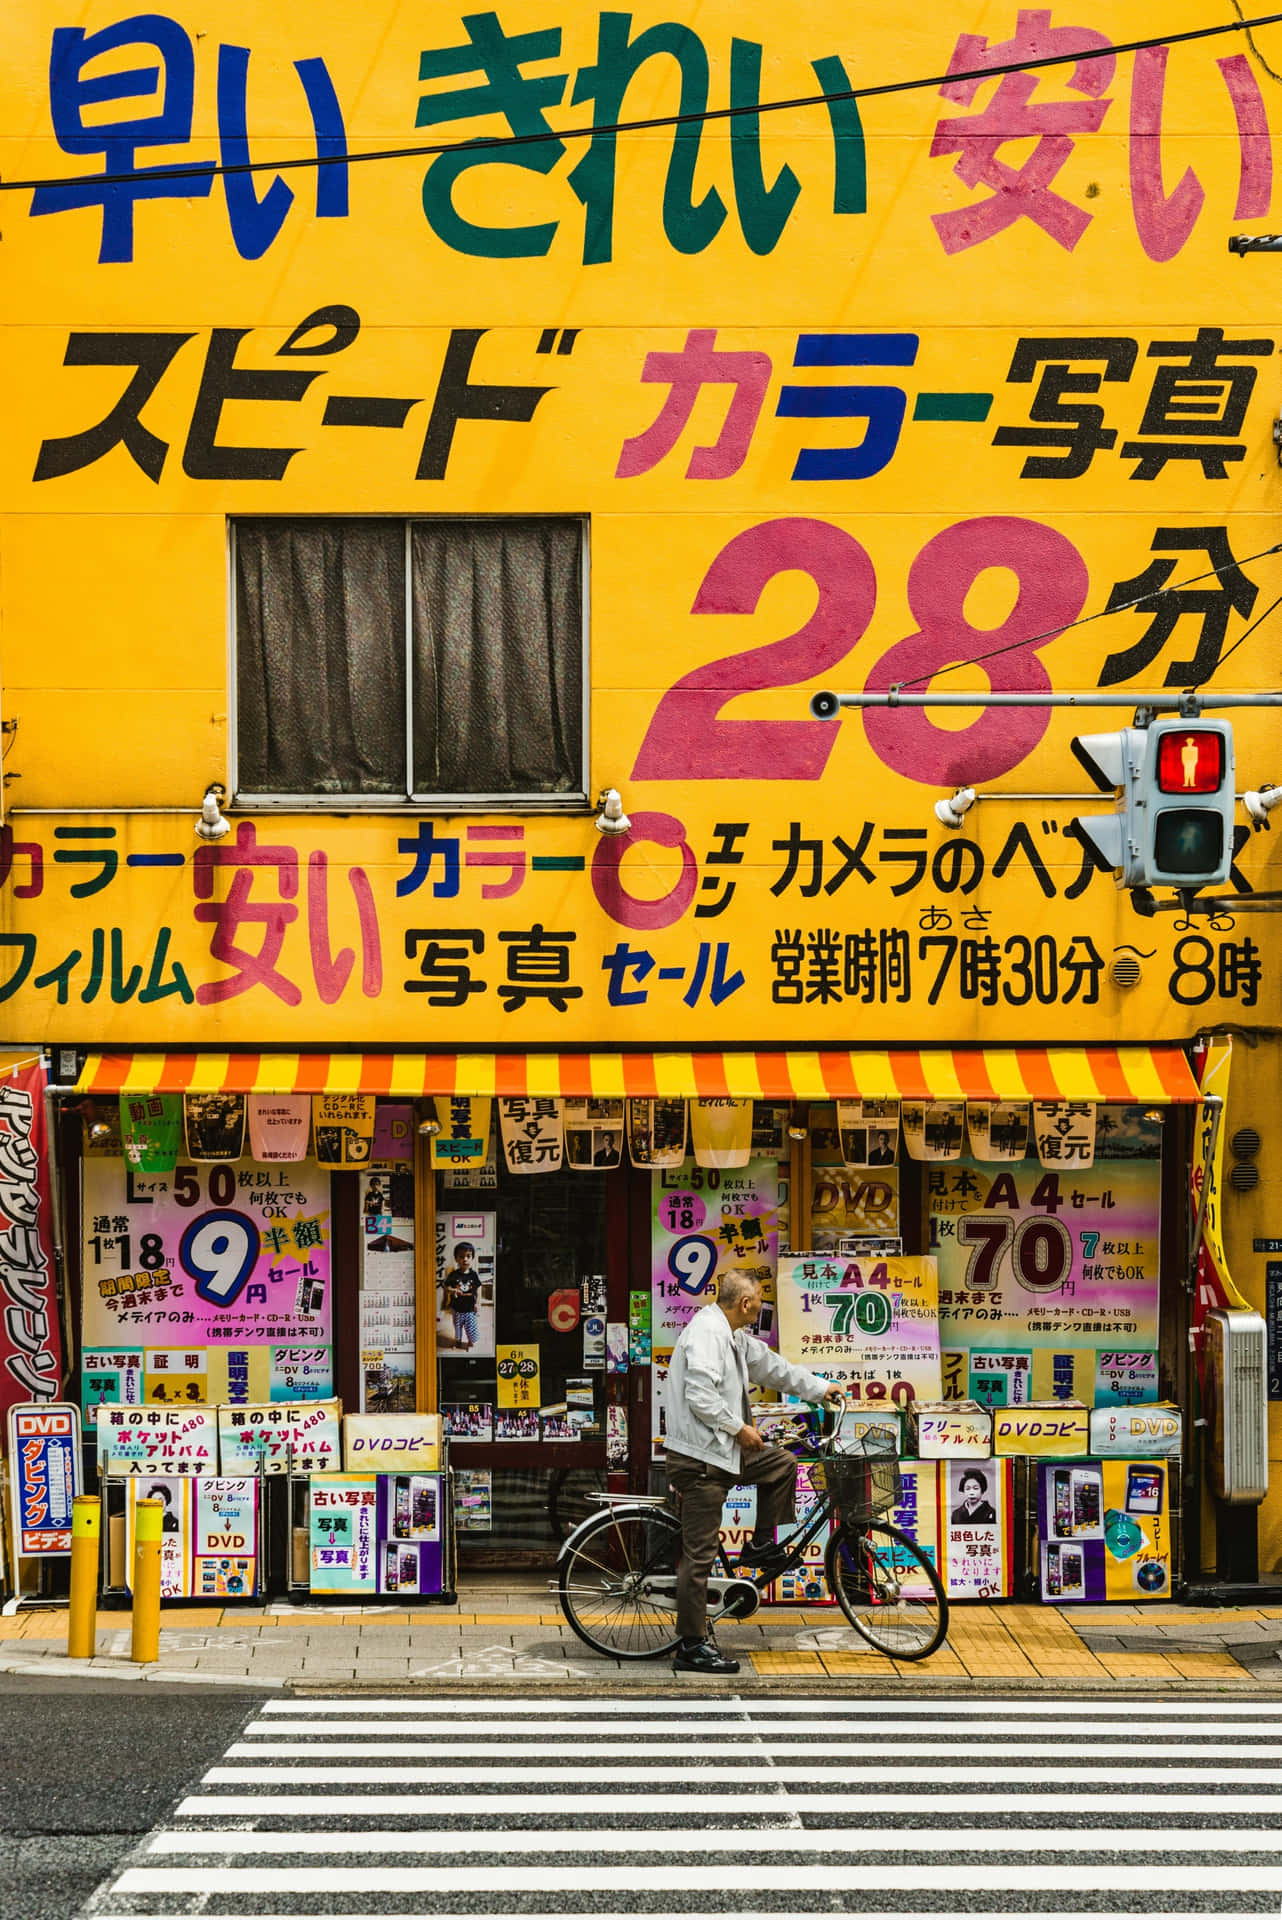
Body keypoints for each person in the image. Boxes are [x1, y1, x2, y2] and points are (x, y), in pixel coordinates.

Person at [663, 1271, 845, 1676]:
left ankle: (761, 1545)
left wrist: (820, 1388)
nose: (762, 1306)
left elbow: (774, 1369)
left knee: (782, 1463)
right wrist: (739, 1428)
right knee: (700, 1555)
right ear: (745, 1304)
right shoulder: (707, 1334)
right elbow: (699, 1395)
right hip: (701, 1460)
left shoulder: (734, 1337)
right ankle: (691, 1645)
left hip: (722, 1452)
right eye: (760, 1300)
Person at [441, 1242, 481, 1350]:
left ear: (472, 1257)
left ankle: (470, 1342)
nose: (465, 1259)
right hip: (457, 1308)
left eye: (468, 1256)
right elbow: (446, 1286)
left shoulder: (474, 1274)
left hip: (470, 1308)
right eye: (461, 1256)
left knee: (470, 1327)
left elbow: (478, 1288)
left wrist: (477, 1303)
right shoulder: (453, 1275)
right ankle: (457, 1341)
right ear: (456, 1258)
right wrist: (452, 1290)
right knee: (457, 1327)